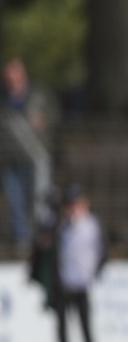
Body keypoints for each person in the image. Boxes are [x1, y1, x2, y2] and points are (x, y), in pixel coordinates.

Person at [2, 58, 57, 250]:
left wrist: (43, 122)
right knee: (15, 202)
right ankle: (22, 241)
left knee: (38, 199)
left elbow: (53, 116)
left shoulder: (37, 95)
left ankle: (39, 238)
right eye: (8, 73)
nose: (11, 77)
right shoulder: (4, 99)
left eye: (14, 72)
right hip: (10, 159)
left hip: (35, 158)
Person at [56, 185, 104, 342]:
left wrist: (94, 273)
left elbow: (101, 252)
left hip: (83, 284)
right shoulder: (63, 227)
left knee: (86, 331)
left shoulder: (92, 225)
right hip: (65, 284)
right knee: (63, 332)